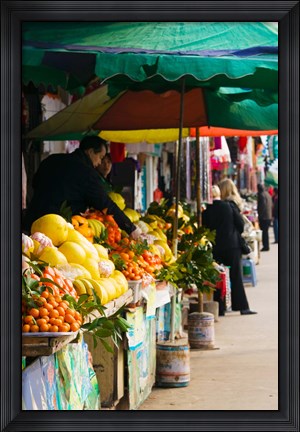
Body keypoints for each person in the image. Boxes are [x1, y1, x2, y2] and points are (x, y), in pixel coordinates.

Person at [23, 136, 142, 239]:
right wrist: (131, 228)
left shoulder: (52, 159)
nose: (100, 163)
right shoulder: (87, 173)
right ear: (90, 152)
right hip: (57, 229)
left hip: (31, 222)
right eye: (100, 157)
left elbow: (35, 183)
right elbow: (106, 204)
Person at [202, 183, 257, 316]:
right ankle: (242, 307)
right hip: (232, 246)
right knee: (236, 277)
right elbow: (240, 224)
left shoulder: (206, 211)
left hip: (215, 247)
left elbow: (204, 228)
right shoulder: (229, 206)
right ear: (219, 194)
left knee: (218, 277)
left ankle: (220, 309)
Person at [257, 183, 273, 251]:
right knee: (265, 232)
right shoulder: (267, 194)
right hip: (268, 216)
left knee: (264, 232)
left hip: (264, 217)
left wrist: (259, 215)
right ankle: (266, 246)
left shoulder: (261, 195)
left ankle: (266, 246)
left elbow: (262, 206)